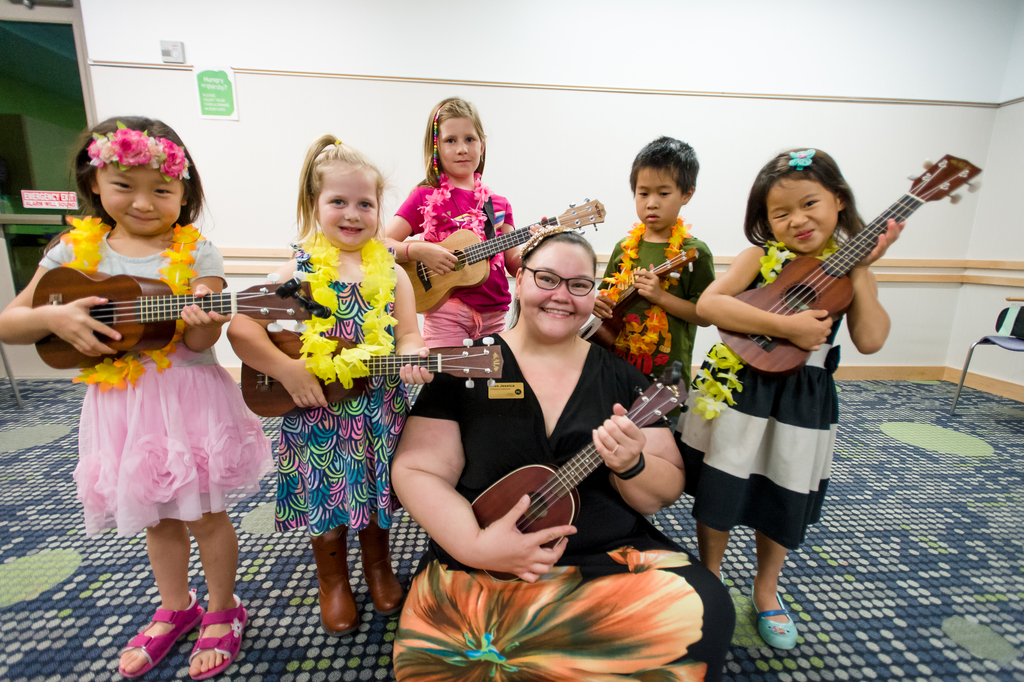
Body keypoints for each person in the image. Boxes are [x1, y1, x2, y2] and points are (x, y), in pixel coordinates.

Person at [390, 227, 735, 681]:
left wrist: (632, 464)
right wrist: (476, 546)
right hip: (481, 562)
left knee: (704, 616)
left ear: (594, 294)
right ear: (519, 280)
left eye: (579, 285)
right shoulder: (466, 364)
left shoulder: (621, 377)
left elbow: (660, 493)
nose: (562, 296)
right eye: (546, 279)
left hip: (603, 559)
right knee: (447, 664)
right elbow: (417, 470)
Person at [0, 117, 272, 679]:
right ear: (94, 182)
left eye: (162, 190)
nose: (144, 203)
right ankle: (177, 606)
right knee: (157, 517)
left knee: (207, 515)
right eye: (125, 186)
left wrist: (201, 318)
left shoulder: (199, 254)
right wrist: (55, 315)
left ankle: (223, 607)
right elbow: (11, 323)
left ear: (185, 193)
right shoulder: (72, 251)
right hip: (122, 407)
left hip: (187, 399)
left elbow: (201, 339)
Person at [677, 148, 903, 650]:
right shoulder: (759, 258)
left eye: (810, 204)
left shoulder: (849, 271)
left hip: (803, 399)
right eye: (781, 213)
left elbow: (870, 339)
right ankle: (711, 577)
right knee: (721, 487)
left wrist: (863, 270)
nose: (797, 220)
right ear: (765, 220)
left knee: (784, 491)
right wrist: (787, 327)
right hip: (742, 391)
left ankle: (766, 589)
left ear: (839, 201)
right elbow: (711, 304)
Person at [228, 136, 433, 637]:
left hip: (379, 410)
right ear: (314, 205)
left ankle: (379, 567)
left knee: (375, 492)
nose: (352, 213)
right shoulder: (295, 275)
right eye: (338, 201)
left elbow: (408, 332)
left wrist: (411, 353)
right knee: (328, 498)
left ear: (379, 209)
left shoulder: (394, 276)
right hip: (317, 413)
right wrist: (288, 370)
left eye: (366, 203)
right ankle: (332, 580)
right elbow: (241, 328)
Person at [384, 97, 520, 346]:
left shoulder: (499, 205)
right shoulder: (424, 196)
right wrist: (417, 250)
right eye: (450, 140)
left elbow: (513, 263)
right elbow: (379, 245)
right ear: (436, 146)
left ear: (482, 145)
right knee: (446, 382)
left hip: (495, 315)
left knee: (492, 385)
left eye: (470, 139)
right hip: (446, 312)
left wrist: (540, 244)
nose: (462, 149)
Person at [593, 136, 715, 395]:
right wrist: (595, 303)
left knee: (660, 434)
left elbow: (705, 316)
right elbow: (603, 299)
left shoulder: (695, 252)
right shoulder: (624, 248)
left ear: (687, 194)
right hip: (616, 368)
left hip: (665, 378)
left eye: (663, 193)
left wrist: (660, 296)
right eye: (643, 193)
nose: (651, 202)